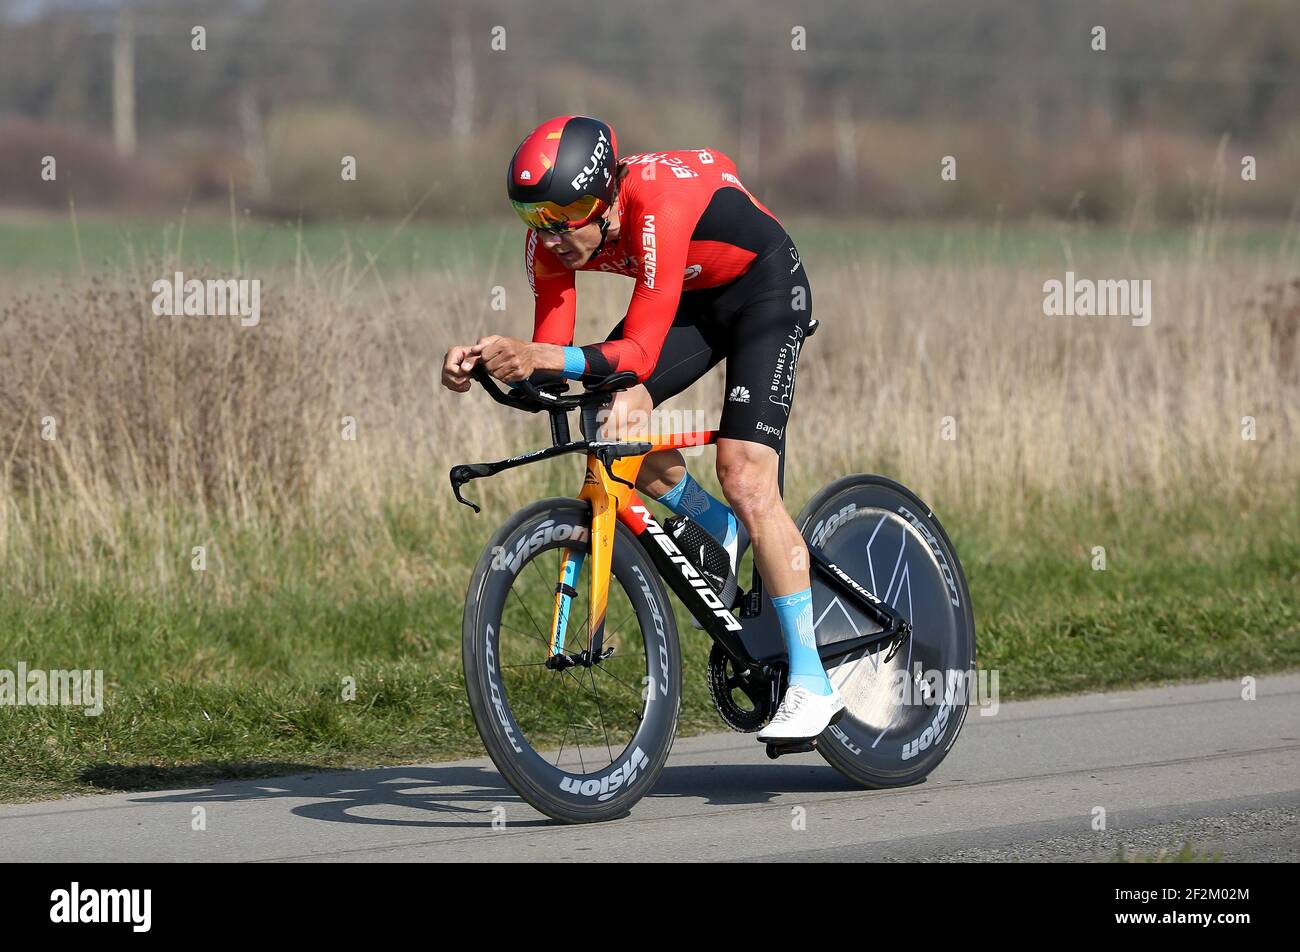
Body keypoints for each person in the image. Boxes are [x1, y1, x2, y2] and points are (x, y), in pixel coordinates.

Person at [442, 115, 842, 740]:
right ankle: (715, 526)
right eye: (533, 215)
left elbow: (641, 353)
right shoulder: (550, 240)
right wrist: (492, 364)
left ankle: (812, 682)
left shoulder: (657, 204)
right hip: (694, 295)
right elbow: (552, 351)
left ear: (602, 195)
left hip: (765, 289)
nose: (551, 230)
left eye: (565, 209)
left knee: (744, 473)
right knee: (609, 414)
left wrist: (544, 358)